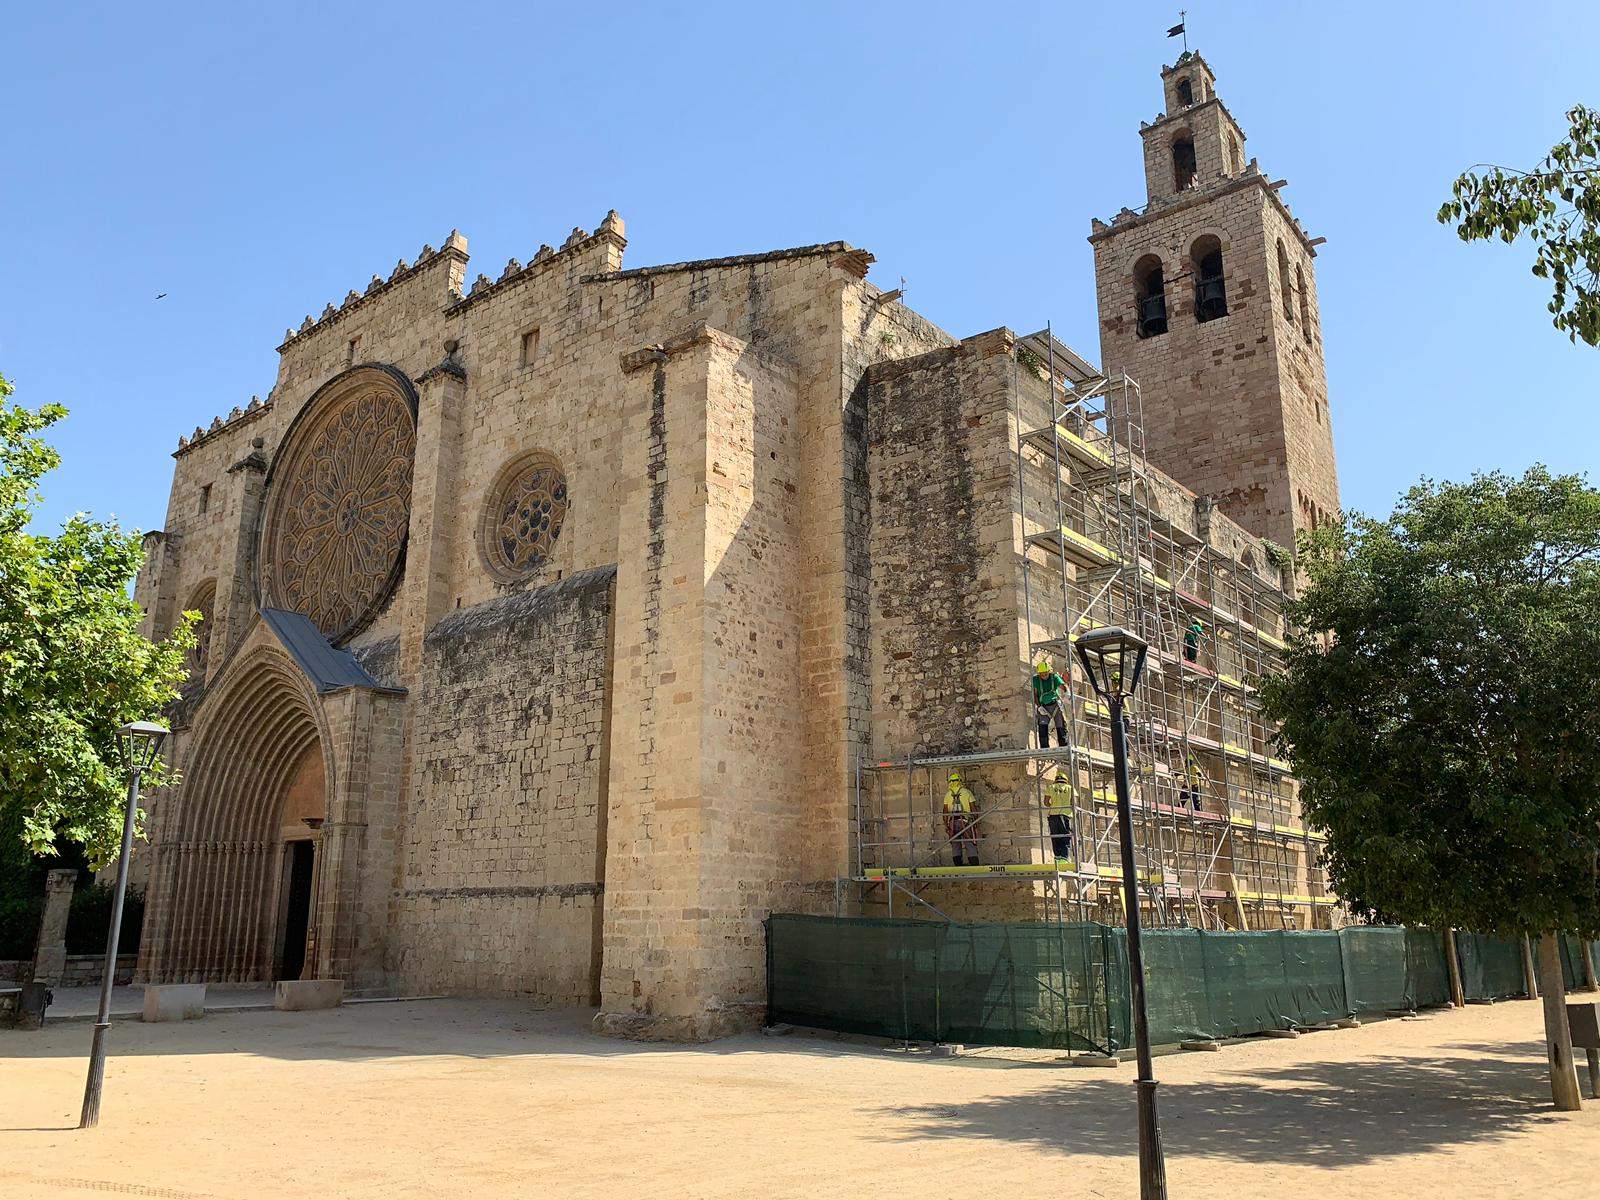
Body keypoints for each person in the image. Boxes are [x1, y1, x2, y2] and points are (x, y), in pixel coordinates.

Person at [942, 770, 981, 866]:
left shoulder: (947, 795)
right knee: (970, 843)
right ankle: (974, 866)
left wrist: (946, 825)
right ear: (960, 781)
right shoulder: (967, 792)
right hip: (966, 821)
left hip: (953, 823)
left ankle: (958, 867)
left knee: (955, 845)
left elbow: (945, 812)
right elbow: (973, 808)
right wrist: (976, 822)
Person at [1032, 660, 1069, 748]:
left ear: (1049, 672)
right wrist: (1039, 706)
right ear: (1039, 674)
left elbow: (1064, 687)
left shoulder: (1054, 677)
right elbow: (1035, 695)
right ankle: (1044, 748)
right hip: (1043, 706)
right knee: (1042, 726)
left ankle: (1063, 746)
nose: (1044, 676)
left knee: (1061, 726)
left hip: (1055, 704)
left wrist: (1067, 693)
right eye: (1042, 674)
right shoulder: (1036, 680)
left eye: (1046, 674)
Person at [1045, 772, 1075, 862]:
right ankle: (1064, 857)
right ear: (1066, 781)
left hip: (1053, 815)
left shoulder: (1051, 787)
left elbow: (1046, 802)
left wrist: (1053, 806)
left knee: (1055, 836)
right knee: (1065, 836)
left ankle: (1057, 858)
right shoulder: (1070, 788)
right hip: (1065, 815)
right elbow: (1074, 802)